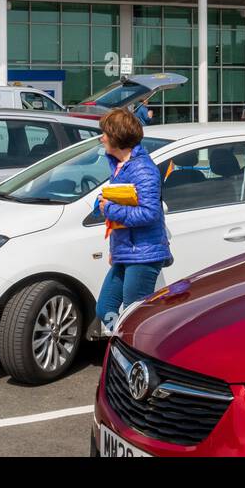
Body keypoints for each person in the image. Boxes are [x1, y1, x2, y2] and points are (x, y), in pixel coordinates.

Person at [95, 107, 172, 332]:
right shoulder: (119, 166)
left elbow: (149, 213)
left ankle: (135, 354)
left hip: (144, 254)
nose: (102, 138)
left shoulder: (143, 169)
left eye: (105, 134)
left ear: (117, 137)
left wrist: (109, 209)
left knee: (134, 314)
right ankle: (123, 341)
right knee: (105, 308)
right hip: (126, 252)